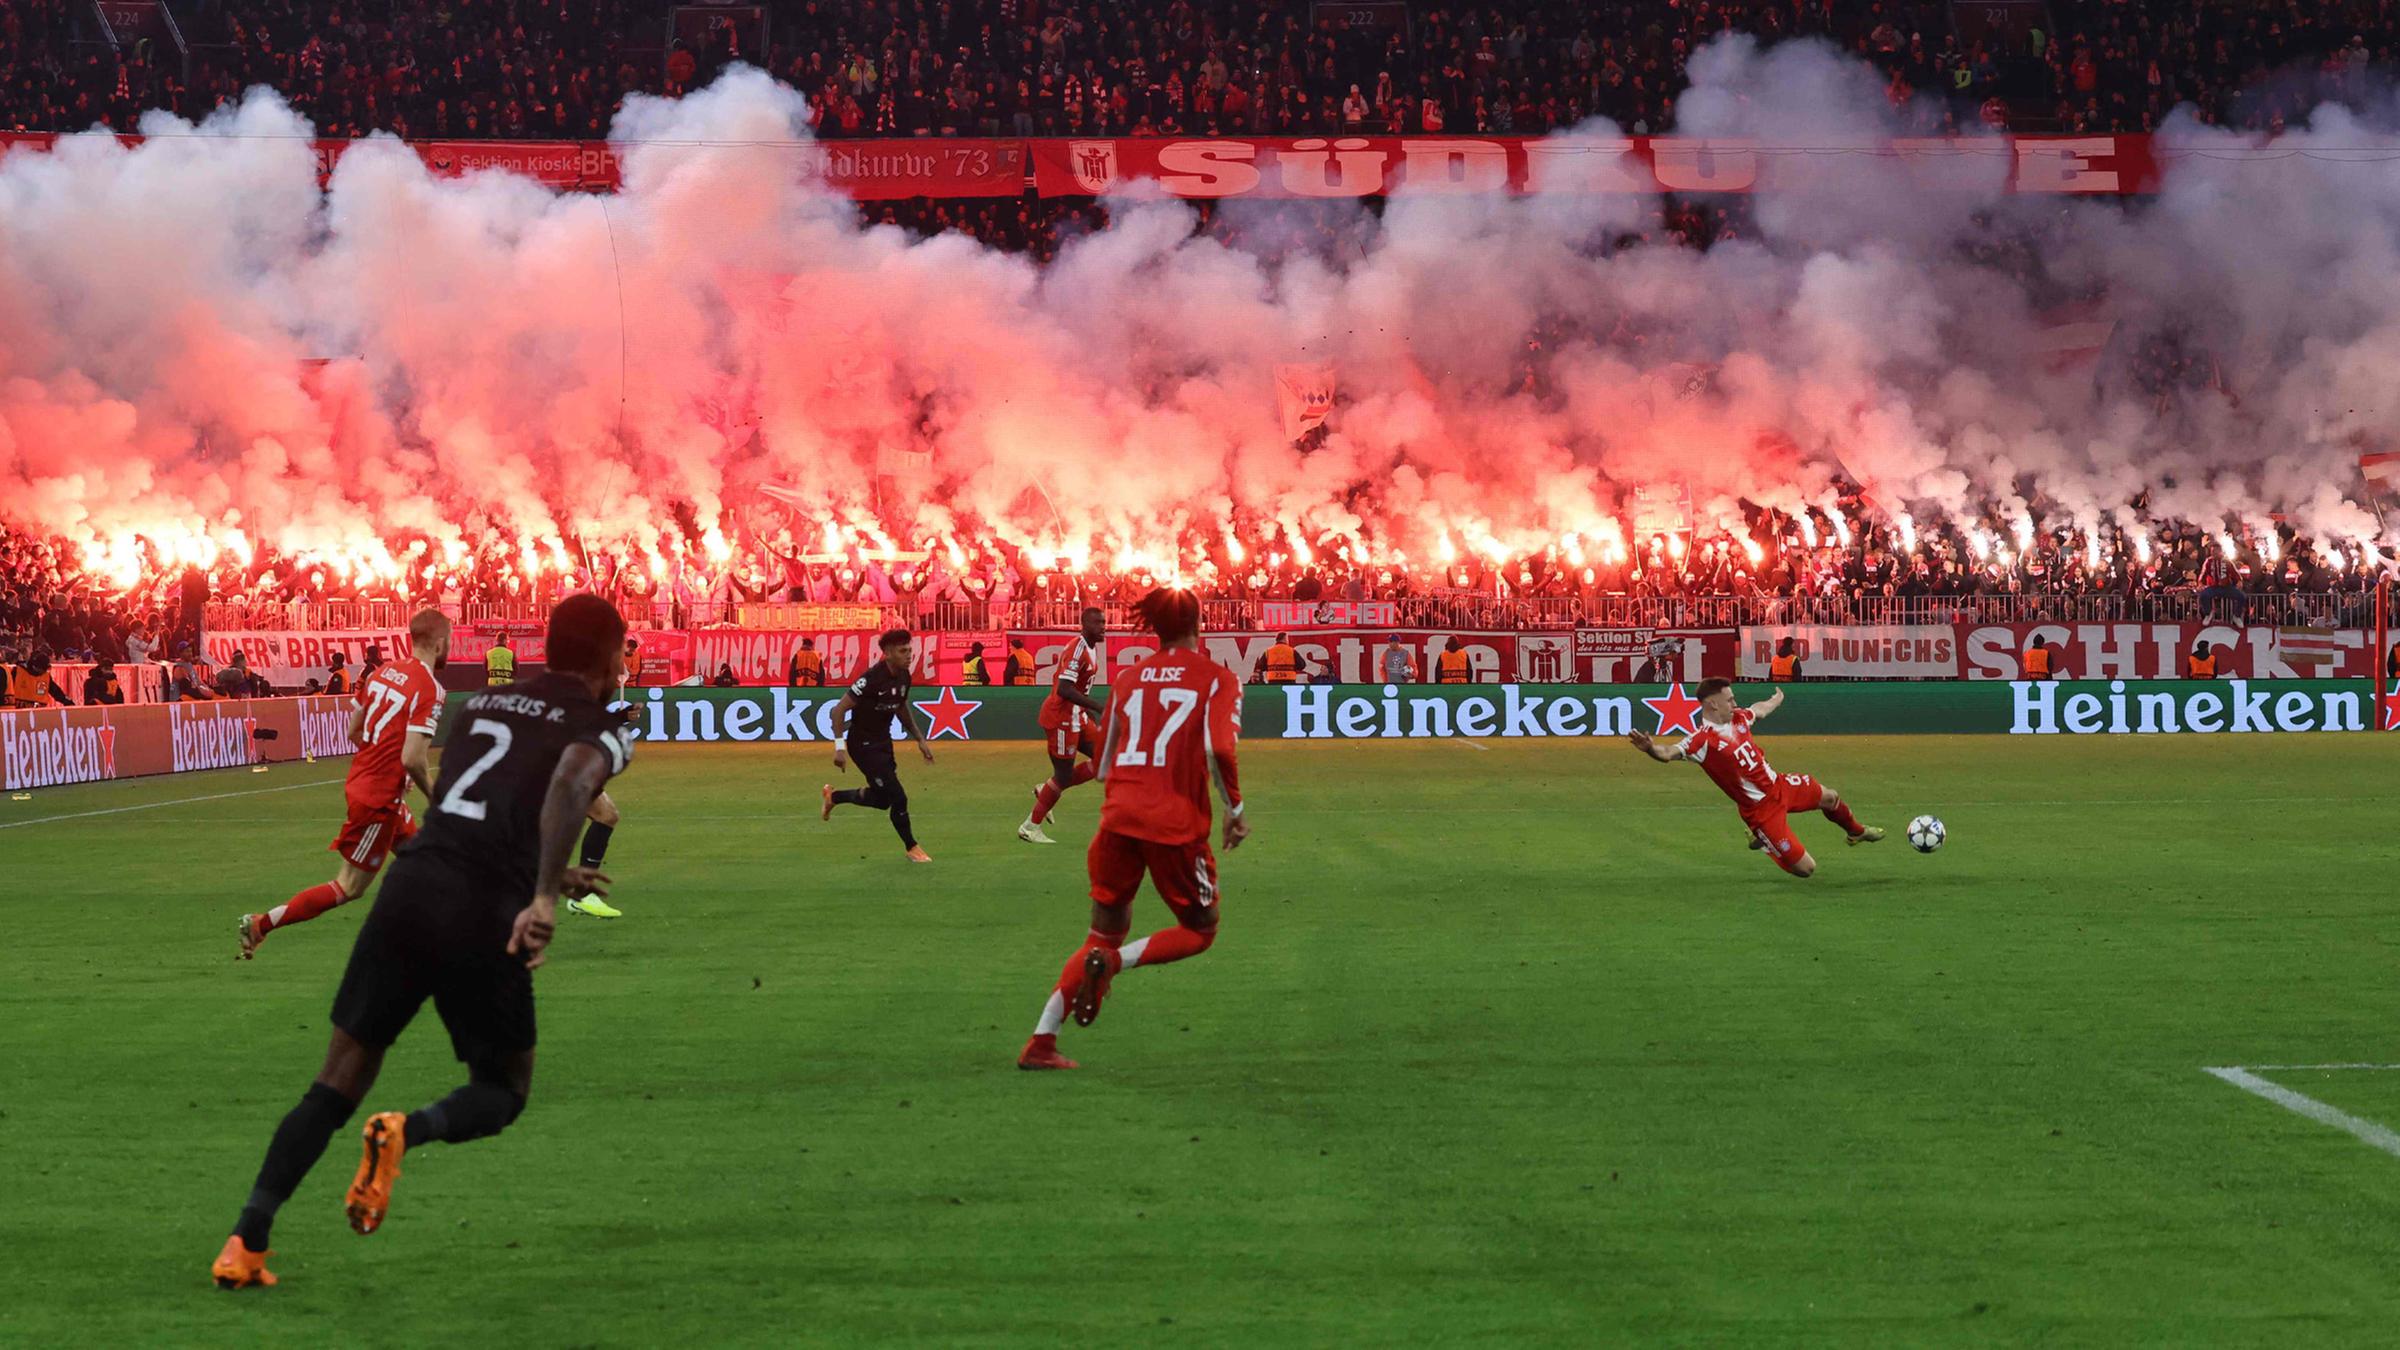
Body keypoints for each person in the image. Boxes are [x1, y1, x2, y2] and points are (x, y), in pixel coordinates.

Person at [209, 594, 635, 1291]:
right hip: (483, 911)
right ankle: (405, 1131)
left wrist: (546, 870)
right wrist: (544, 894)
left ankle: (245, 1239)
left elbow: (482, 811)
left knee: (335, 1080)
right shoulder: (604, 724)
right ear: (610, 654)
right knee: (502, 1088)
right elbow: (567, 785)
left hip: (412, 890)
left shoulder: (479, 708)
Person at [1017, 588, 1248, 1071]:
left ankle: (1041, 1041)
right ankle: (1115, 966)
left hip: (1117, 823)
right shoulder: (1217, 679)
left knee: (1101, 936)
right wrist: (1235, 808)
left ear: (1155, 629)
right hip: (1174, 828)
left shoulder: (1127, 679)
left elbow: (1100, 765)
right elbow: (1222, 750)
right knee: (1200, 929)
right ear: (1198, 624)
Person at [239, 610, 451, 961]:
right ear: (441, 643)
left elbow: (354, 730)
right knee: (349, 887)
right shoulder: (430, 688)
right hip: (378, 801)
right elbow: (414, 758)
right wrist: (436, 799)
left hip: (372, 786)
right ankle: (261, 923)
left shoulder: (383, 672)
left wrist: (388, 766)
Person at [1627, 679, 1883, 878]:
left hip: (1780, 785)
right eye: (1729, 699)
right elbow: (1668, 752)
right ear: (1713, 704)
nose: (1735, 703)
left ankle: (1857, 832)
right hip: (1761, 811)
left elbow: (1758, 710)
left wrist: (1776, 700)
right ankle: (1763, 842)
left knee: (1831, 797)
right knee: (1806, 870)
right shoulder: (1701, 741)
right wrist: (1650, 748)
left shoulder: (1739, 718)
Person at [819, 628, 934, 862]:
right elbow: (838, 710)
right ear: (888, 653)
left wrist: (919, 739)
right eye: (903, 651)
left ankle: (834, 797)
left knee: (883, 801)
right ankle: (912, 847)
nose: (909, 655)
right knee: (899, 797)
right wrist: (839, 748)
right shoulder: (870, 679)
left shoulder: (904, 676)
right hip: (862, 745)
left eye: (910, 650)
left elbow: (901, 707)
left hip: (883, 743)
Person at [1019, 608, 1107, 845]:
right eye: (1098, 623)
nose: (1103, 627)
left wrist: (1087, 711)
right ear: (1084, 624)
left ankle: (1046, 789)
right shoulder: (1077, 649)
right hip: (1061, 718)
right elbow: (1065, 689)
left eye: (1104, 622)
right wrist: (1098, 707)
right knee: (1063, 775)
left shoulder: (1091, 647)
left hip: (1077, 716)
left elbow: (1077, 688)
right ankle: (1030, 826)